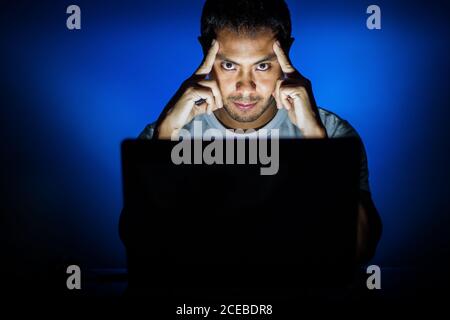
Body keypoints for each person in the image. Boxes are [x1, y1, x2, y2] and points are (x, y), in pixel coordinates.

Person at [135, 0, 382, 263]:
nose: (245, 86)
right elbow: (143, 249)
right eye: (229, 65)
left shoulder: (330, 133)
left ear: (286, 54)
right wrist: (164, 140)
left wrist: (316, 143)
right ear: (205, 53)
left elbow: (360, 250)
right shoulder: (164, 134)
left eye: (262, 66)